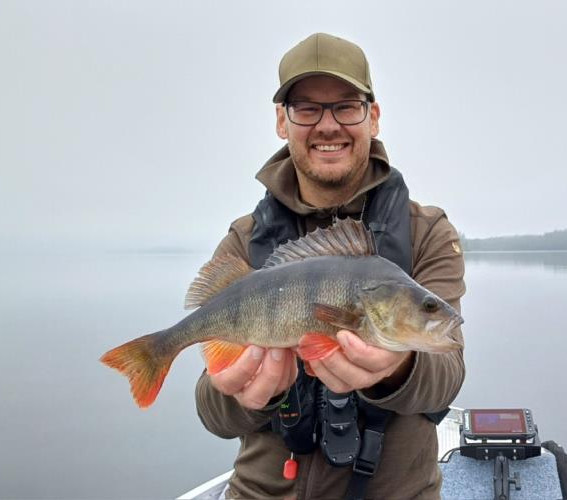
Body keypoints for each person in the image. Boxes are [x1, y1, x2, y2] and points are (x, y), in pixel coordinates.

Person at [195, 32, 466, 499]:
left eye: (345, 105)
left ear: (372, 116)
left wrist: (396, 368)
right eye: (306, 108)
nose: (328, 125)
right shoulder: (243, 240)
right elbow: (212, 415)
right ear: (282, 121)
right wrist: (241, 396)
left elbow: (447, 377)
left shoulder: (427, 231)